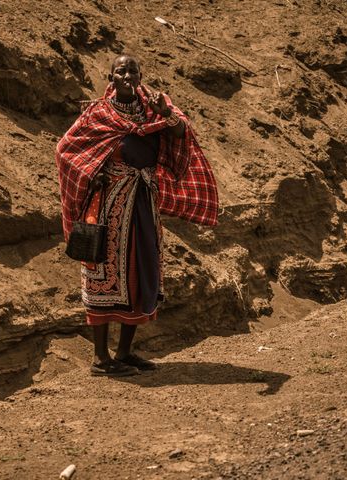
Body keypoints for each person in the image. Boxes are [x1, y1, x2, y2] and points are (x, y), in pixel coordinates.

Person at [56, 54, 219, 376]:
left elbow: (181, 132)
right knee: (104, 273)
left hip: (143, 201)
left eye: (133, 70)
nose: (128, 75)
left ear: (141, 75)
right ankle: (101, 359)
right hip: (108, 207)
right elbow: (66, 149)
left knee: (141, 269)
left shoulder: (155, 107)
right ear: (111, 77)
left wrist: (165, 114)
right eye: (121, 71)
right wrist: (93, 172)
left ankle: (125, 352)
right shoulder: (98, 113)